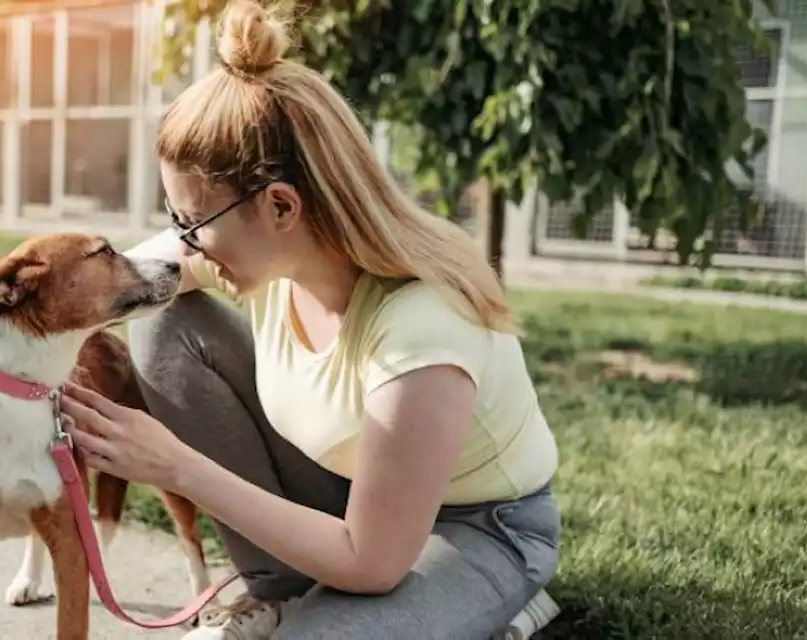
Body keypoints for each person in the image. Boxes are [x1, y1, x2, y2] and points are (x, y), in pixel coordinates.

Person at [57, 1, 563, 638]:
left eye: (193, 221)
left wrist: (175, 466)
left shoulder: (424, 324)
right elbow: (131, 280)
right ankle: (280, 592)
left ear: (280, 206)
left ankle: (500, 599)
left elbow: (373, 561)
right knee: (163, 322)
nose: (184, 241)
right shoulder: (276, 256)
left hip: (477, 527)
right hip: (356, 496)